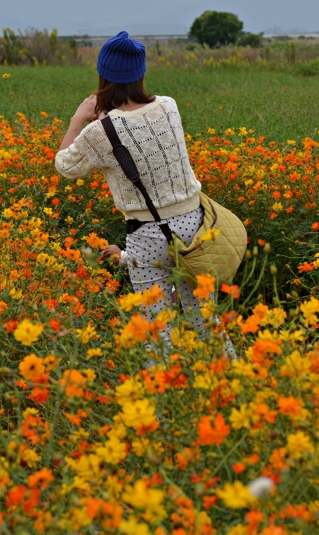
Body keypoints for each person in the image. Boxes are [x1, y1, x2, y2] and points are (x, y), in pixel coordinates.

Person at [55, 31, 206, 340]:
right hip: (197, 226)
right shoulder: (169, 106)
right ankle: (224, 381)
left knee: (158, 334)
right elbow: (139, 132)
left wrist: (78, 121)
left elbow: (65, 165)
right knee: (207, 326)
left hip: (148, 234)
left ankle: (166, 385)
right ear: (141, 73)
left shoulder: (100, 131)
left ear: (102, 75)